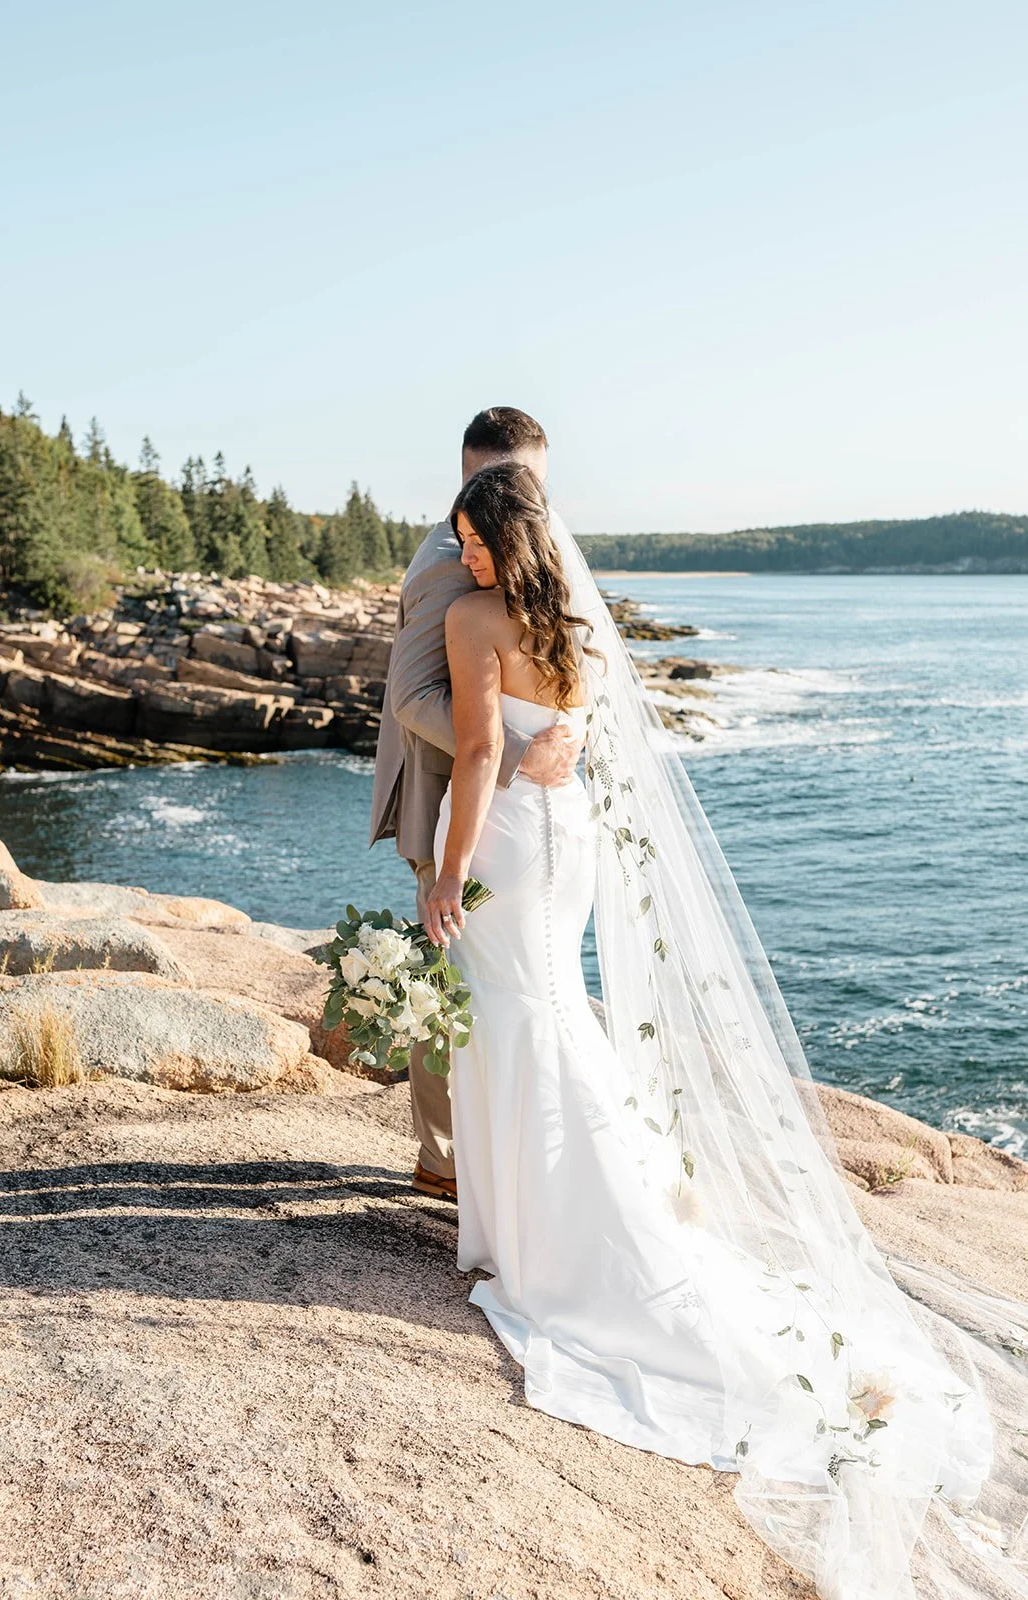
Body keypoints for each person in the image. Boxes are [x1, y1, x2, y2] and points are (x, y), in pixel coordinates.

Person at [420, 460, 1028, 1600]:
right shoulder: (579, 625)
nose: (460, 557)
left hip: (506, 835)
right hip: (572, 842)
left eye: (471, 538)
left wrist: (447, 874)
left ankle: (548, 1245)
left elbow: (484, 750)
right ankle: (545, 1223)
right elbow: (574, 737)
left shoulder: (471, 618)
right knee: (549, 1011)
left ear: (503, 539)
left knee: (520, 1021)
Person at [369, 408, 583, 1201]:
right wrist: (521, 750)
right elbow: (411, 696)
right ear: (474, 476)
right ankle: (445, 1159)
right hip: (457, 797)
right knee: (453, 975)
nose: (533, 500)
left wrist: (558, 745)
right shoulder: (448, 562)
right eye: (516, 482)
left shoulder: (535, 551)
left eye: (538, 484)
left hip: (535, 815)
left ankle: (496, 1157)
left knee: (527, 982)